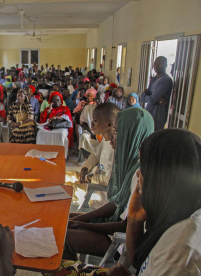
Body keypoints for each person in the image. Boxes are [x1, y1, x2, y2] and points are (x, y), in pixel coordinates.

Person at [62, 108, 153, 261]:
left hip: (117, 241)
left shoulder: (139, 176)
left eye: (116, 131)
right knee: (61, 219)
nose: (112, 136)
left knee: (59, 236)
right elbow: (115, 203)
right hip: (112, 225)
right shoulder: (128, 163)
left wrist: (84, 225)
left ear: (130, 134)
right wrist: (81, 220)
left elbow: (126, 225)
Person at [126, 129, 201, 276]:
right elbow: (140, 263)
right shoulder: (180, 215)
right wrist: (134, 220)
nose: (138, 174)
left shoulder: (178, 253)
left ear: (161, 176)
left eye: (144, 167)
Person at [66, 103, 120, 206]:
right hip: (95, 182)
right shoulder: (105, 139)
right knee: (65, 179)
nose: (91, 124)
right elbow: (95, 155)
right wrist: (85, 168)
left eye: (95, 120)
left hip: (102, 195)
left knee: (65, 191)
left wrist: (90, 178)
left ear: (109, 124)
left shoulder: (115, 147)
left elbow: (109, 180)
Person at [141, 56, 173, 130]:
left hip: (158, 115)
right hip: (149, 112)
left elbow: (151, 100)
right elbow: (142, 98)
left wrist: (147, 97)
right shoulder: (154, 79)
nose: (156, 66)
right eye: (155, 63)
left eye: (159, 64)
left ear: (165, 65)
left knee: (154, 136)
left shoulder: (166, 80)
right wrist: (156, 100)